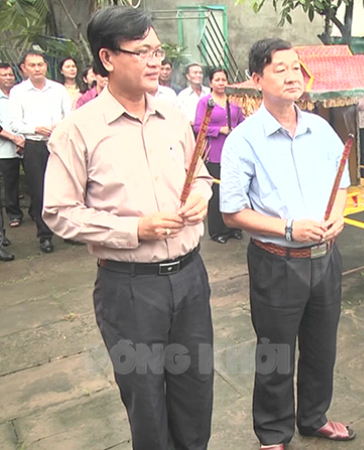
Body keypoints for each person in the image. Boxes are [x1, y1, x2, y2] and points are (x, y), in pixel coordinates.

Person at [43, 6, 214, 449]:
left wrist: (201, 195)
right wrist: (134, 229)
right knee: (146, 401)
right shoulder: (77, 130)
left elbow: (198, 172)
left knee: (196, 392)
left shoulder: (172, 115)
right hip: (131, 288)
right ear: (107, 58)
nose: (156, 61)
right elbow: (58, 211)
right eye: (142, 52)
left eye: (157, 50)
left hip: (191, 279)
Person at [220, 38, 355, 449]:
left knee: (321, 346)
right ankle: (274, 433)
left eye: (297, 67)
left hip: (325, 258)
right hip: (276, 261)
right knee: (275, 353)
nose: (293, 75)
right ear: (257, 79)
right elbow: (231, 212)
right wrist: (289, 229)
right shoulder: (243, 140)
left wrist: (337, 217)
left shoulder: (322, 130)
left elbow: (342, 184)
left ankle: (314, 416)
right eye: (281, 68)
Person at [9, 50, 72, 254]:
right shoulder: (18, 92)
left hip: (58, 144)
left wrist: (59, 126)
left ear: (46, 66)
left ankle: (69, 231)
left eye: (40, 64)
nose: (37, 68)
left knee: (65, 189)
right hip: (34, 145)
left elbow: (69, 116)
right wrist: (34, 129)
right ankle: (45, 236)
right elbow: (14, 124)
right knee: (39, 192)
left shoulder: (58, 89)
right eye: (32, 65)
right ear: (24, 69)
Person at [194, 67, 243, 244]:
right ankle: (218, 231)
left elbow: (242, 122)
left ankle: (235, 227)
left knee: (234, 189)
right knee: (216, 192)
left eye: (224, 79)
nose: (221, 83)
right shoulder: (205, 102)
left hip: (233, 152)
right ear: (210, 83)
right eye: (217, 80)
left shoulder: (234, 101)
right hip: (214, 151)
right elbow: (198, 127)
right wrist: (218, 130)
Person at [0, 62, 24, 261]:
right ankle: (14, 213)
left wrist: (22, 138)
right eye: (4, 75)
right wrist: (13, 138)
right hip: (5, 149)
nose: (8, 78)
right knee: (10, 183)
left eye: (10, 74)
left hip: (26, 144)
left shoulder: (20, 94)